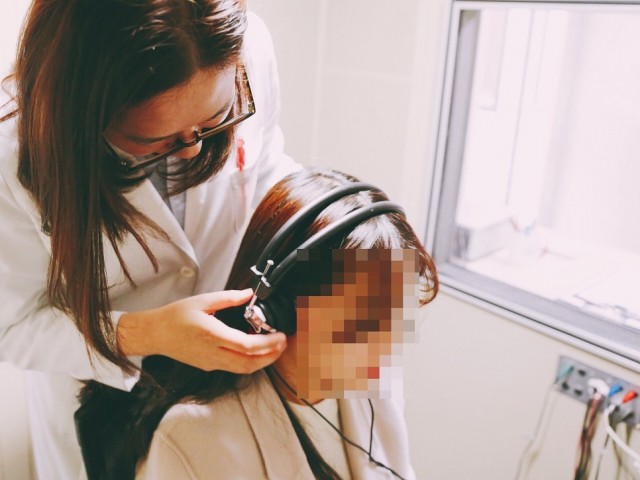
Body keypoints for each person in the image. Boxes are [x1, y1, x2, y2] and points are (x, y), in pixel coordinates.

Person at [0, 1, 299, 478]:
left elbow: (266, 172)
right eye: (155, 140)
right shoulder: (12, 154)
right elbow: (13, 327)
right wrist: (149, 333)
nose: (195, 149)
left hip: (211, 399)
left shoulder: (248, 50)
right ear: (89, 113)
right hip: (94, 409)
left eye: (215, 118)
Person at [78, 167, 439, 480]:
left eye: (395, 314)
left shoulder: (375, 387)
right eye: (363, 321)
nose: (388, 342)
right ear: (277, 311)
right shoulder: (191, 439)